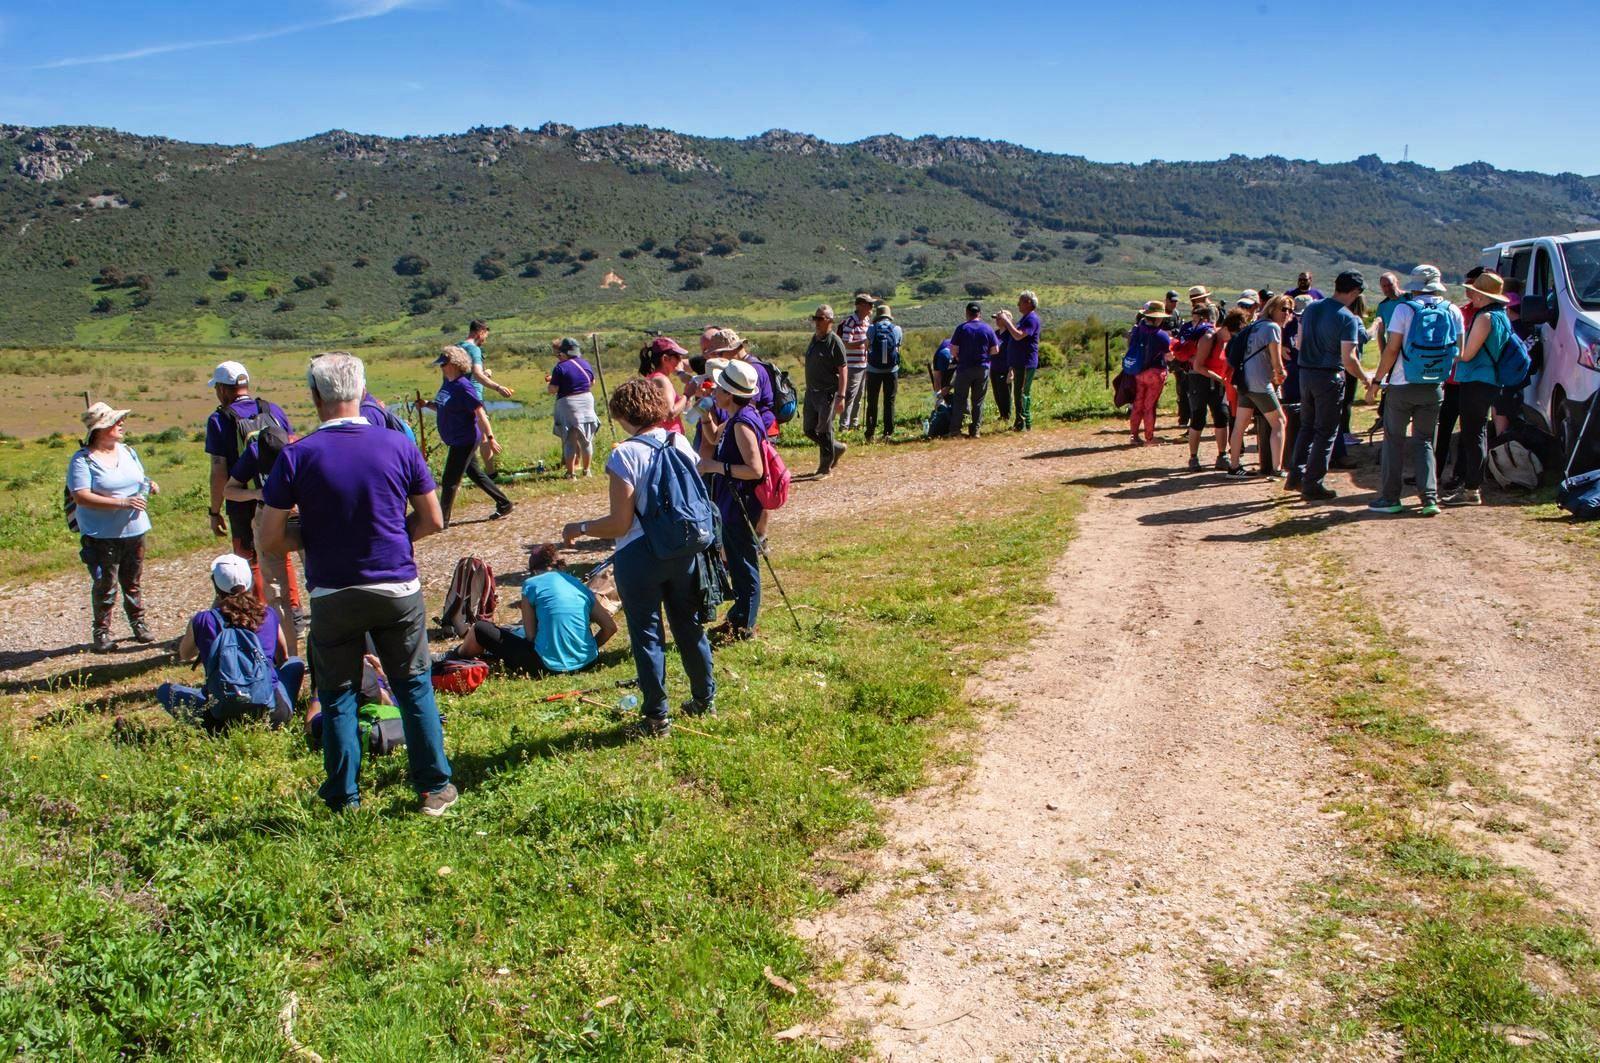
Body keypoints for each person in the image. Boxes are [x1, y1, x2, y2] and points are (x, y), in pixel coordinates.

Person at [259, 351, 456, 815]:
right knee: (413, 685)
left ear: (315, 396)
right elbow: (433, 519)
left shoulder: (296, 455)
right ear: (363, 392)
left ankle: (345, 794)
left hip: (332, 591)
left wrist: (315, 535)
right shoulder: (398, 445)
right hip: (396, 586)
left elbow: (269, 538)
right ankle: (433, 786)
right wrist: (388, 533)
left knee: (338, 692)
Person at [562, 378, 717, 735]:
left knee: (647, 635)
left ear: (622, 415)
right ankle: (704, 698)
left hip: (640, 556)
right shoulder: (677, 440)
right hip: (683, 547)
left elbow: (620, 522)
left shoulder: (624, 454)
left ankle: (656, 717)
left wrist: (580, 527)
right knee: (688, 626)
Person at [159, 553, 305, 729]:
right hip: (273, 715)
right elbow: (283, 658)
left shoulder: (203, 620)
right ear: (249, 582)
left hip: (220, 718)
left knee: (165, 691)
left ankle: (219, 723)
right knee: (295, 663)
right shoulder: (267, 614)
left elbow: (185, 654)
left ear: (216, 585)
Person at [1366, 265, 1464, 516]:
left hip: (1402, 384)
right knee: (1425, 442)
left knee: (1394, 442)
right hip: (1433, 386)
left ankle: (1390, 498)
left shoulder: (1404, 309)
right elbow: (1459, 352)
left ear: (1415, 286)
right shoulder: (1453, 310)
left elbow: (1391, 349)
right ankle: (1429, 498)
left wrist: (1377, 380)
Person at [68, 403, 157, 652]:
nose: (121, 424)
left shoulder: (128, 451)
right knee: (106, 584)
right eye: (116, 422)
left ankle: (138, 624)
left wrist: (149, 485)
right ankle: (102, 632)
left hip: (135, 529)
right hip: (101, 534)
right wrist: (122, 502)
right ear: (101, 429)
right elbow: (81, 497)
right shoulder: (83, 460)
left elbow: (140, 478)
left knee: (133, 581)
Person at [204, 360, 294, 602]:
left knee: (248, 561)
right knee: (279, 553)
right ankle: (292, 610)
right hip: (276, 497)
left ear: (223, 389)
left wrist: (215, 511)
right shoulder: (272, 409)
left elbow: (218, 471)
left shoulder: (219, 420)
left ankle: (256, 614)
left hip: (242, 500)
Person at [456, 544, 617, 675]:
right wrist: (587, 650)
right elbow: (610, 628)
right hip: (588, 663)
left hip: (547, 666)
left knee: (480, 628)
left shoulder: (531, 585)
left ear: (533, 570)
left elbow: (531, 636)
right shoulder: (578, 585)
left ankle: (457, 656)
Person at [1287, 272, 1374, 501]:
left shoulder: (1312, 308)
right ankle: (1313, 483)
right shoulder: (1346, 318)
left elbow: (1299, 341)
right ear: (1355, 293)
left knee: (1306, 426)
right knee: (1326, 432)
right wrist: (1365, 379)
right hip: (1329, 376)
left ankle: (1296, 475)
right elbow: (1349, 359)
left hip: (1305, 373)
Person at [697, 360, 766, 642]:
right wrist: (704, 415)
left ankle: (744, 626)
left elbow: (755, 469)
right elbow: (714, 436)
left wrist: (716, 467)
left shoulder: (742, 424)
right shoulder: (740, 416)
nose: (715, 392)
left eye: (720, 388)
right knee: (737, 561)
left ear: (730, 395)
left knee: (743, 563)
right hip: (733, 500)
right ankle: (738, 618)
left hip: (741, 503)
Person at [223, 426, 305, 658]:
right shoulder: (254, 452)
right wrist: (256, 493)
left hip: (303, 516)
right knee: (276, 591)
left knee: (320, 581)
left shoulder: (301, 449)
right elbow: (229, 491)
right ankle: (289, 657)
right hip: (269, 517)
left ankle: (322, 651)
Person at [1443, 271, 1515, 506]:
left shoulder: (1485, 318)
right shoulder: (1501, 315)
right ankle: (1473, 485)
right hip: (1490, 380)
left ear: (1480, 294)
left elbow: (1467, 354)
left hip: (1477, 380)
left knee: (1473, 435)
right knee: (1478, 433)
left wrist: (1450, 350)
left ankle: (1472, 488)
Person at [426, 345, 512, 527]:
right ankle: (504, 503)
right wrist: (426, 404)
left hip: (465, 439)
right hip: (456, 437)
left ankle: (442, 520)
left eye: (444, 364)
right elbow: (442, 406)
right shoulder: (448, 383)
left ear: (455, 364)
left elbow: (480, 414)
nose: (441, 367)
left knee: (449, 480)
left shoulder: (464, 387)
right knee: (475, 473)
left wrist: (490, 438)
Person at [1227, 295, 1292, 477]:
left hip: (1243, 380)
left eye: (1289, 310)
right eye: (1283, 309)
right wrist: (1280, 374)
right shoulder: (1272, 328)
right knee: (1279, 422)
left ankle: (1233, 466)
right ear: (1272, 309)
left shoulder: (1255, 325)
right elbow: (1277, 363)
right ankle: (1277, 468)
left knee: (1240, 424)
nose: (1287, 314)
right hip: (1260, 383)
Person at [1435, 267, 1487, 485]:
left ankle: (1461, 474)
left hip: (1471, 380)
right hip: (1453, 380)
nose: (1468, 290)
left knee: (1469, 432)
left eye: (1472, 285)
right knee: (1444, 427)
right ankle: (1434, 471)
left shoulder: (1486, 316)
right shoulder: (1461, 311)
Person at [1180, 304, 1228, 470]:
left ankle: (1208, 457)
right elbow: (1198, 366)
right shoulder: (1208, 336)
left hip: (1205, 380)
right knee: (1203, 417)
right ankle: (1204, 457)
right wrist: (1220, 378)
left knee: (1216, 416)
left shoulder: (1215, 335)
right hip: (1202, 379)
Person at [803, 305, 848, 476]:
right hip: (811, 392)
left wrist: (841, 396)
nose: (817, 322)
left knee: (824, 430)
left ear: (829, 320)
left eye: (820, 319)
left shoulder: (834, 342)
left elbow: (843, 369)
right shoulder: (815, 339)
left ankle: (825, 466)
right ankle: (835, 448)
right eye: (815, 318)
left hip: (827, 393)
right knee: (809, 429)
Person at [706, 329, 778, 435]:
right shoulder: (748, 366)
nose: (718, 358)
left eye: (719, 353)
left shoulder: (750, 371)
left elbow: (747, 407)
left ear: (733, 350)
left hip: (761, 429)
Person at [548, 336, 600, 478]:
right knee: (586, 439)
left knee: (570, 439)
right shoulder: (585, 364)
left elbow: (553, 389)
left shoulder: (560, 367)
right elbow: (592, 382)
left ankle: (570, 474)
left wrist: (551, 384)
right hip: (587, 399)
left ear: (563, 353)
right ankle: (586, 470)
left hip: (568, 403)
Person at [948, 301, 1000, 438]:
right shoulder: (987, 329)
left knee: (960, 399)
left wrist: (958, 357)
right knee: (978, 401)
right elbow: (996, 349)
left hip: (964, 368)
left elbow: (952, 349)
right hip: (982, 368)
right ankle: (975, 430)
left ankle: (955, 430)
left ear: (967, 313)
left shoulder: (962, 328)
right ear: (979, 314)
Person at [995, 290, 1043, 430]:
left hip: (1025, 362)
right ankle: (1022, 422)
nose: (1018, 305)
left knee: (1021, 393)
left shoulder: (1031, 319)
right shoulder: (1026, 318)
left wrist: (1006, 321)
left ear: (1028, 303)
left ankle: (1022, 423)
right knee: (1019, 393)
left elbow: (1018, 335)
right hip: (1020, 362)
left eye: (1020, 302)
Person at [1127, 301, 1172, 446]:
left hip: (1138, 371)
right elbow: (1168, 356)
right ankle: (1149, 437)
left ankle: (1134, 435)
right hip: (1155, 372)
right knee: (1149, 405)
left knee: (1138, 403)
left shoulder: (1137, 330)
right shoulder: (1162, 336)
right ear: (1158, 318)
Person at [863, 303, 904, 441]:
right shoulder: (897, 329)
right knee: (889, 401)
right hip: (892, 370)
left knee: (872, 401)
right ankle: (888, 433)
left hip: (874, 370)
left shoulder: (872, 329)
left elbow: (866, 346)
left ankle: (870, 433)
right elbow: (898, 347)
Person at [836, 293, 873, 430]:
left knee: (859, 396)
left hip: (864, 364)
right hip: (852, 365)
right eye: (869, 304)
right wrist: (863, 342)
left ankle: (854, 423)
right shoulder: (851, 321)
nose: (871, 307)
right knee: (850, 396)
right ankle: (844, 425)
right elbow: (846, 343)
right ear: (861, 306)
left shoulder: (867, 320)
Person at [639, 336, 689, 432]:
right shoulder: (662, 380)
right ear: (665, 359)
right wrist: (687, 394)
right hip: (670, 437)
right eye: (677, 357)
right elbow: (670, 413)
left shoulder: (651, 378)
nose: (680, 361)